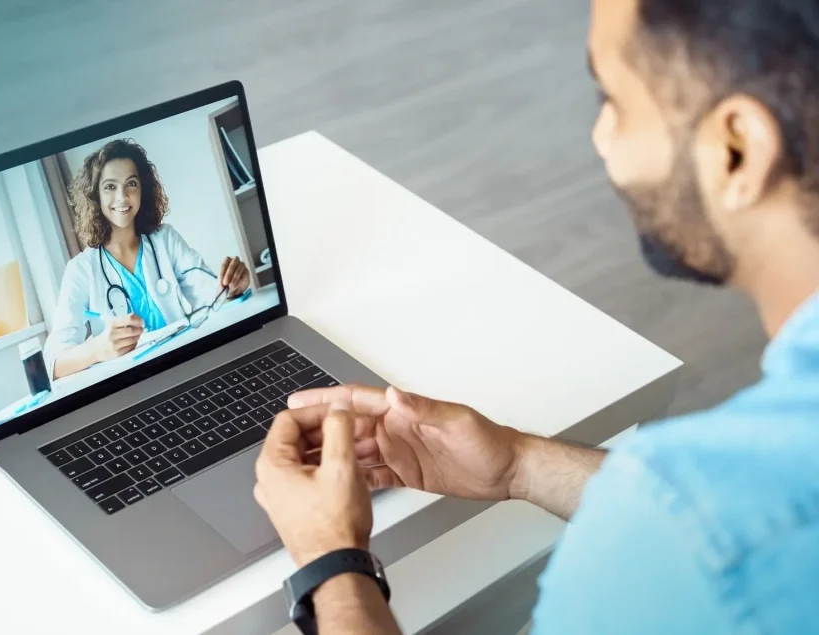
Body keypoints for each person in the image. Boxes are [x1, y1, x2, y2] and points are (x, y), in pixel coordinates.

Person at [254, 0, 819, 632]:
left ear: (737, 149)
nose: (601, 136)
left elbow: (700, 528)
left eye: (616, 101)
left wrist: (330, 561)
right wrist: (519, 465)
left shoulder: (678, 547)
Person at [44, 139, 250, 380]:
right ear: (95, 196)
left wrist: (233, 286)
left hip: (186, 366)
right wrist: (98, 349)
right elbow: (55, 363)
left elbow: (212, 295)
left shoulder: (165, 240)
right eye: (110, 186)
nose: (122, 197)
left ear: (143, 189)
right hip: (131, 386)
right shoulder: (80, 270)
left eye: (131, 183)